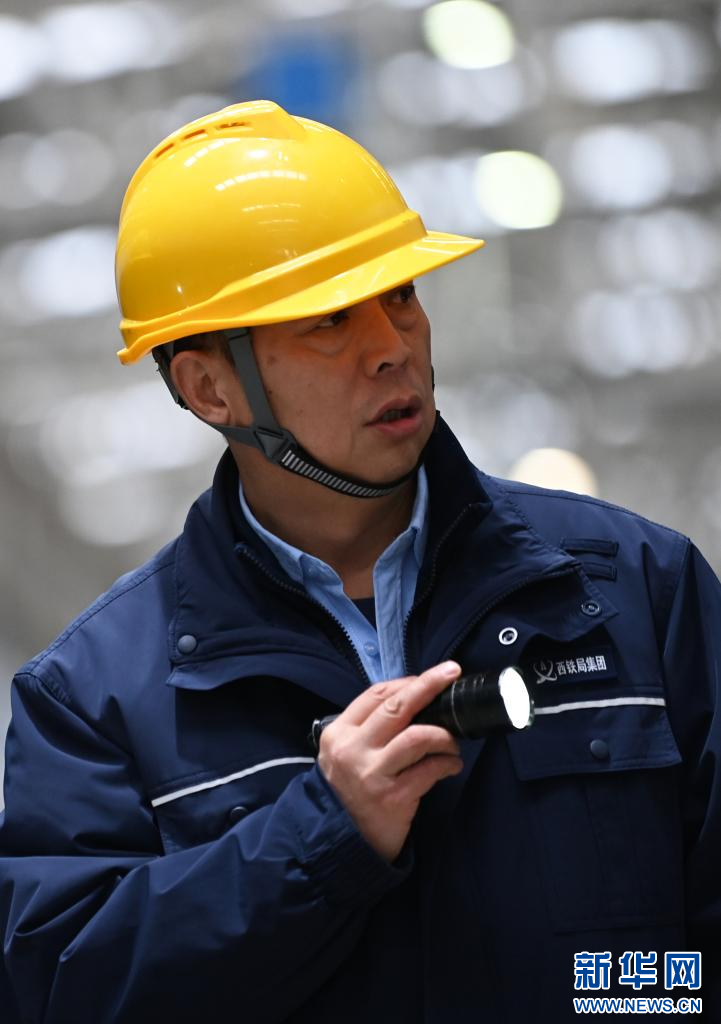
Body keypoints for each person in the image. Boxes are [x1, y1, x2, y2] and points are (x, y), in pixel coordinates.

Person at [0, 99, 719, 1023]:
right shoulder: (93, 701)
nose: (392, 349)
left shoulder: (633, 590)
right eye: (330, 320)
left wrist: (607, 999)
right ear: (210, 387)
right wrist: (322, 837)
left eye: (400, 297)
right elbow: (63, 991)